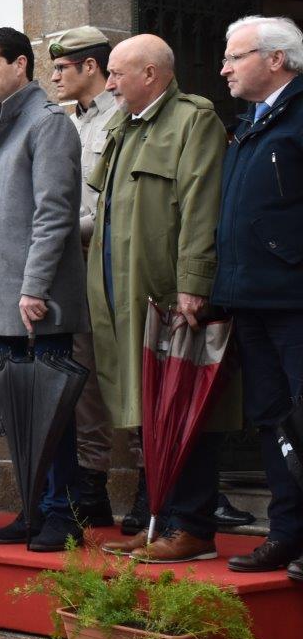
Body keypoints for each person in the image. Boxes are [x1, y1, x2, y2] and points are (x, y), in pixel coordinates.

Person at [88, 35, 234, 565]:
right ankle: (158, 523)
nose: (108, 83)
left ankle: (192, 526)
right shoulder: (123, 126)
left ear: (151, 73)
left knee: (186, 407)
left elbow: (201, 206)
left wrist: (194, 281)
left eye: (116, 73)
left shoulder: (193, 122)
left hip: (170, 296)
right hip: (125, 297)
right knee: (152, 410)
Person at [0, 28, 89, 551]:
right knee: (19, 415)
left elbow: (54, 213)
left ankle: (62, 513)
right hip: (2, 300)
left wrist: (34, 287)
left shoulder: (48, 123)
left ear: (22, 64)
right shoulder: (3, 126)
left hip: (36, 300)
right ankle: (33, 512)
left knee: (52, 411)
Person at [48, 26, 146, 532]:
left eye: (62, 67)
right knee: (83, 378)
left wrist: (56, 232)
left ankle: (152, 482)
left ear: (92, 67)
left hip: (111, 264)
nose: (55, 77)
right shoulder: (69, 125)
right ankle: (93, 490)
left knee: (127, 372)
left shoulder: (122, 119)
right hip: (74, 270)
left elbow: (109, 208)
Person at [215, 16, 303, 578]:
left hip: (293, 298)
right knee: (272, 421)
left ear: (276, 60)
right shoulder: (250, 123)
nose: (222, 66)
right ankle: (287, 533)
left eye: (235, 56)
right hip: (250, 299)